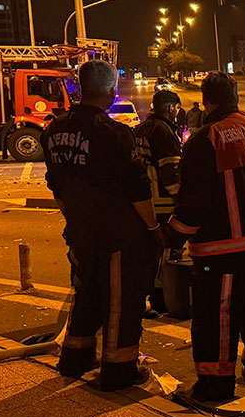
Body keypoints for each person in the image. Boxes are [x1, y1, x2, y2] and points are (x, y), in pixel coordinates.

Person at [168, 73, 245, 403]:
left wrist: (173, 236)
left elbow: (195, 200)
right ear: (236, 98)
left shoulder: (206, 139)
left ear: (207, 102)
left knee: (216, 315)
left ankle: (214, 384)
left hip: (220, 248)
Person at [44, 60, 162, 391]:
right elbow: (138, 188)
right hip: (118, 236)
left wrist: (75, 218)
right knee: (121, 302)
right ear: (111, 93)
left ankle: (74, 358)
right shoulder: (115, 134)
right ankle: (119, 370)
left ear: (81, 89)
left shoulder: (53, 132)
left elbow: (56, 185)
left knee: (87, 293)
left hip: (81, 231)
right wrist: (153, 229)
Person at [134, 89, 184, 317]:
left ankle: (143, 296)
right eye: (177, 108)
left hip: (143, 202)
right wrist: (181, 198)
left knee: (146, 254)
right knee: (166, 253)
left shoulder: (141, 129)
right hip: (162, 203)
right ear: (171, 108)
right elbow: (170, 171)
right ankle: (161, 300)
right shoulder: (164, 132)